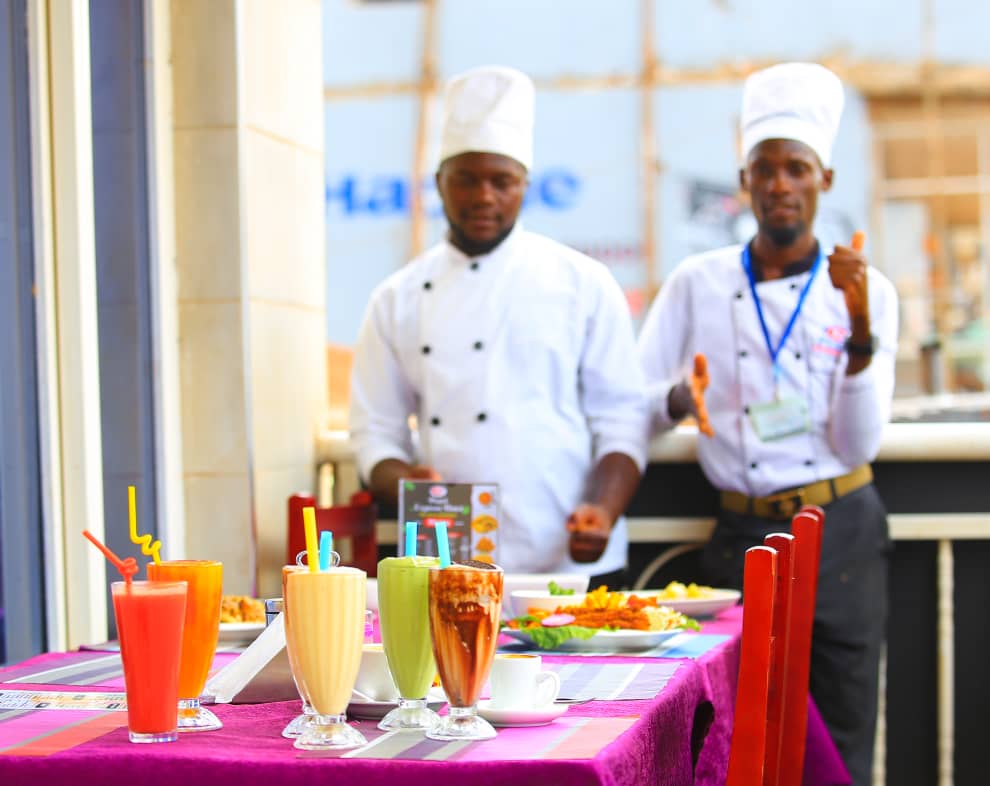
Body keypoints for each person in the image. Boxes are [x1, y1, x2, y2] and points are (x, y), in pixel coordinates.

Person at [637, 62, 898, 786]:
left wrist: (861, 331)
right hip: (743, 534)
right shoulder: (698, 282)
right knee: (739, 734)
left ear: (825, 180)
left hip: (841, 528)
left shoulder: (864, 288)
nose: (780, 184)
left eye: (797, 168)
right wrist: (677, 401)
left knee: (841, 734)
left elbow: (859, 444)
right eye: (765, 169)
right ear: (744, 181)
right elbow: (633, 395)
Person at [349, 65, 648, 584]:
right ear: (439, 183)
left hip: (564, 559)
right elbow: (375, 431)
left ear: (525, 185)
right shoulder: (396, 299)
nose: (484, 196)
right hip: (447, 562)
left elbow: (622, 417)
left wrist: (603, 509)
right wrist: (406, 484)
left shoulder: (582, 282)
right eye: (466, 179)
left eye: (501, 181)